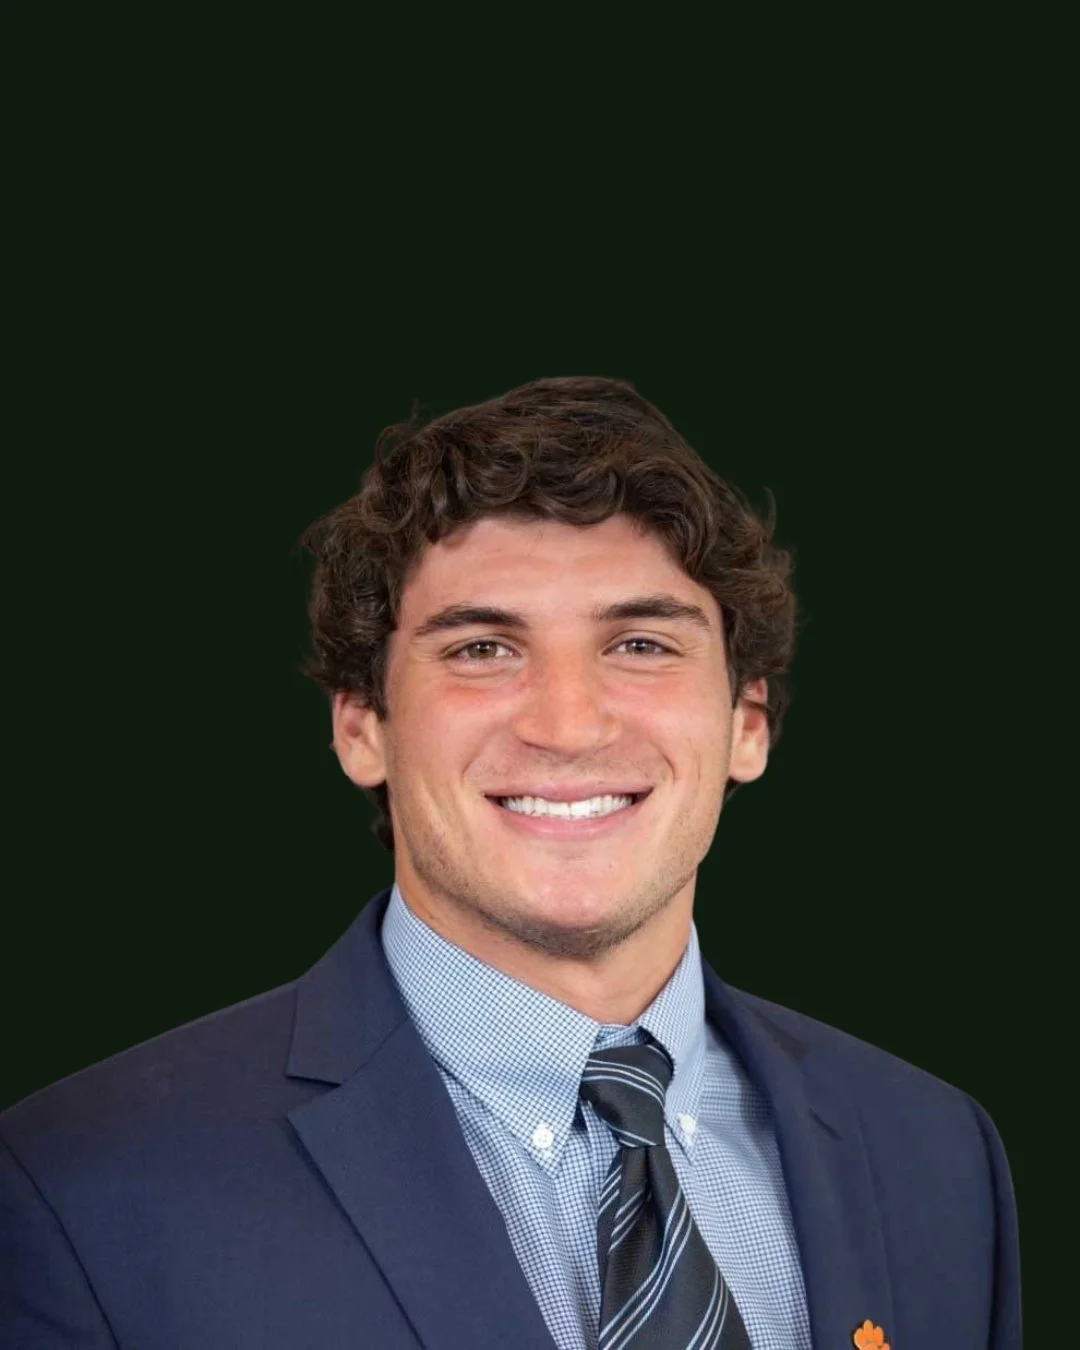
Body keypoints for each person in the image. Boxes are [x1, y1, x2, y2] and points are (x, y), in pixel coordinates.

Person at [0, 376, 1020, 1349]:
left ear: (747, 723)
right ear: (363, 727)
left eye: (641, 645)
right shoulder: (82, 1189)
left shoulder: (935, 1156)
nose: (568, 724)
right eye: (482, 649)